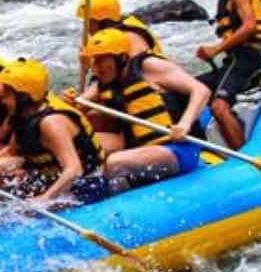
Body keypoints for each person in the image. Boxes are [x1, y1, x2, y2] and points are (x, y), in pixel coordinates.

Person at [71, 28, 211, 194]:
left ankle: (120, 207)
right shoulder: (104, 80)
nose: (96, 67)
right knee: (81, 146)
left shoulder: (148, 66)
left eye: (102, 59)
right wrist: (69, 101)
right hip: (137, 147)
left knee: (115, 163)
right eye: (93, 60)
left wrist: (185, 123)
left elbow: (201, 90)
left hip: (178, 149)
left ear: (121, 58)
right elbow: (77, 109)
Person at [0, 58, 107, 206]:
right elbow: (12, 151)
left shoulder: (51, 123)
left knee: (23, 213)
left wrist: (43, 200)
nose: (3, 100)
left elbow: (74, 169)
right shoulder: (22, 117)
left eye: (7, 94)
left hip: (85, 185)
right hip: (49, 174)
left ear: (23, 96)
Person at [193, 0, 261, 150]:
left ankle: (244, 160)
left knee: (219, 106)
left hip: (246, 60)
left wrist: (215, 49)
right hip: (233, 61)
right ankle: (199, 147)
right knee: (192, 89)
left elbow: (250, 25)